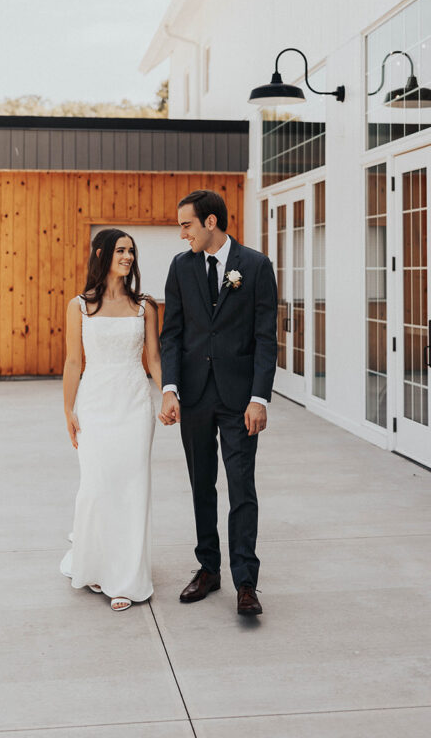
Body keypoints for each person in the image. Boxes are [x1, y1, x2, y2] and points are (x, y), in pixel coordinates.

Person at [159, 190, 277, 616]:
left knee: (241, 486)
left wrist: (259, 397)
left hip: (239, 398)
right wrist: (170, 387)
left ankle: (246, 582)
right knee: (201, 484)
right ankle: (208, 569)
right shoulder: (180, 266)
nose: (181, 233)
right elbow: (171, 333)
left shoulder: (256, 266)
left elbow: (266, 338)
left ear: (211, 222)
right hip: (193, 394)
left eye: (186, 225)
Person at [60, 228, 161, 611]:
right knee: (97, 487)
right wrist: (68, 410)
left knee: (132, 488)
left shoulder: (145, 307)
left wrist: (169, 393)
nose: (128, 257)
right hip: (96, 404)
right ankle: (98, 564)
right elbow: (73, 362)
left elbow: (153, 359)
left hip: (134, 404)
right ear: (101, 253)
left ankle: (127, 579)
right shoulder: (79, 307)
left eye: (131, 251)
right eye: (121, 250)